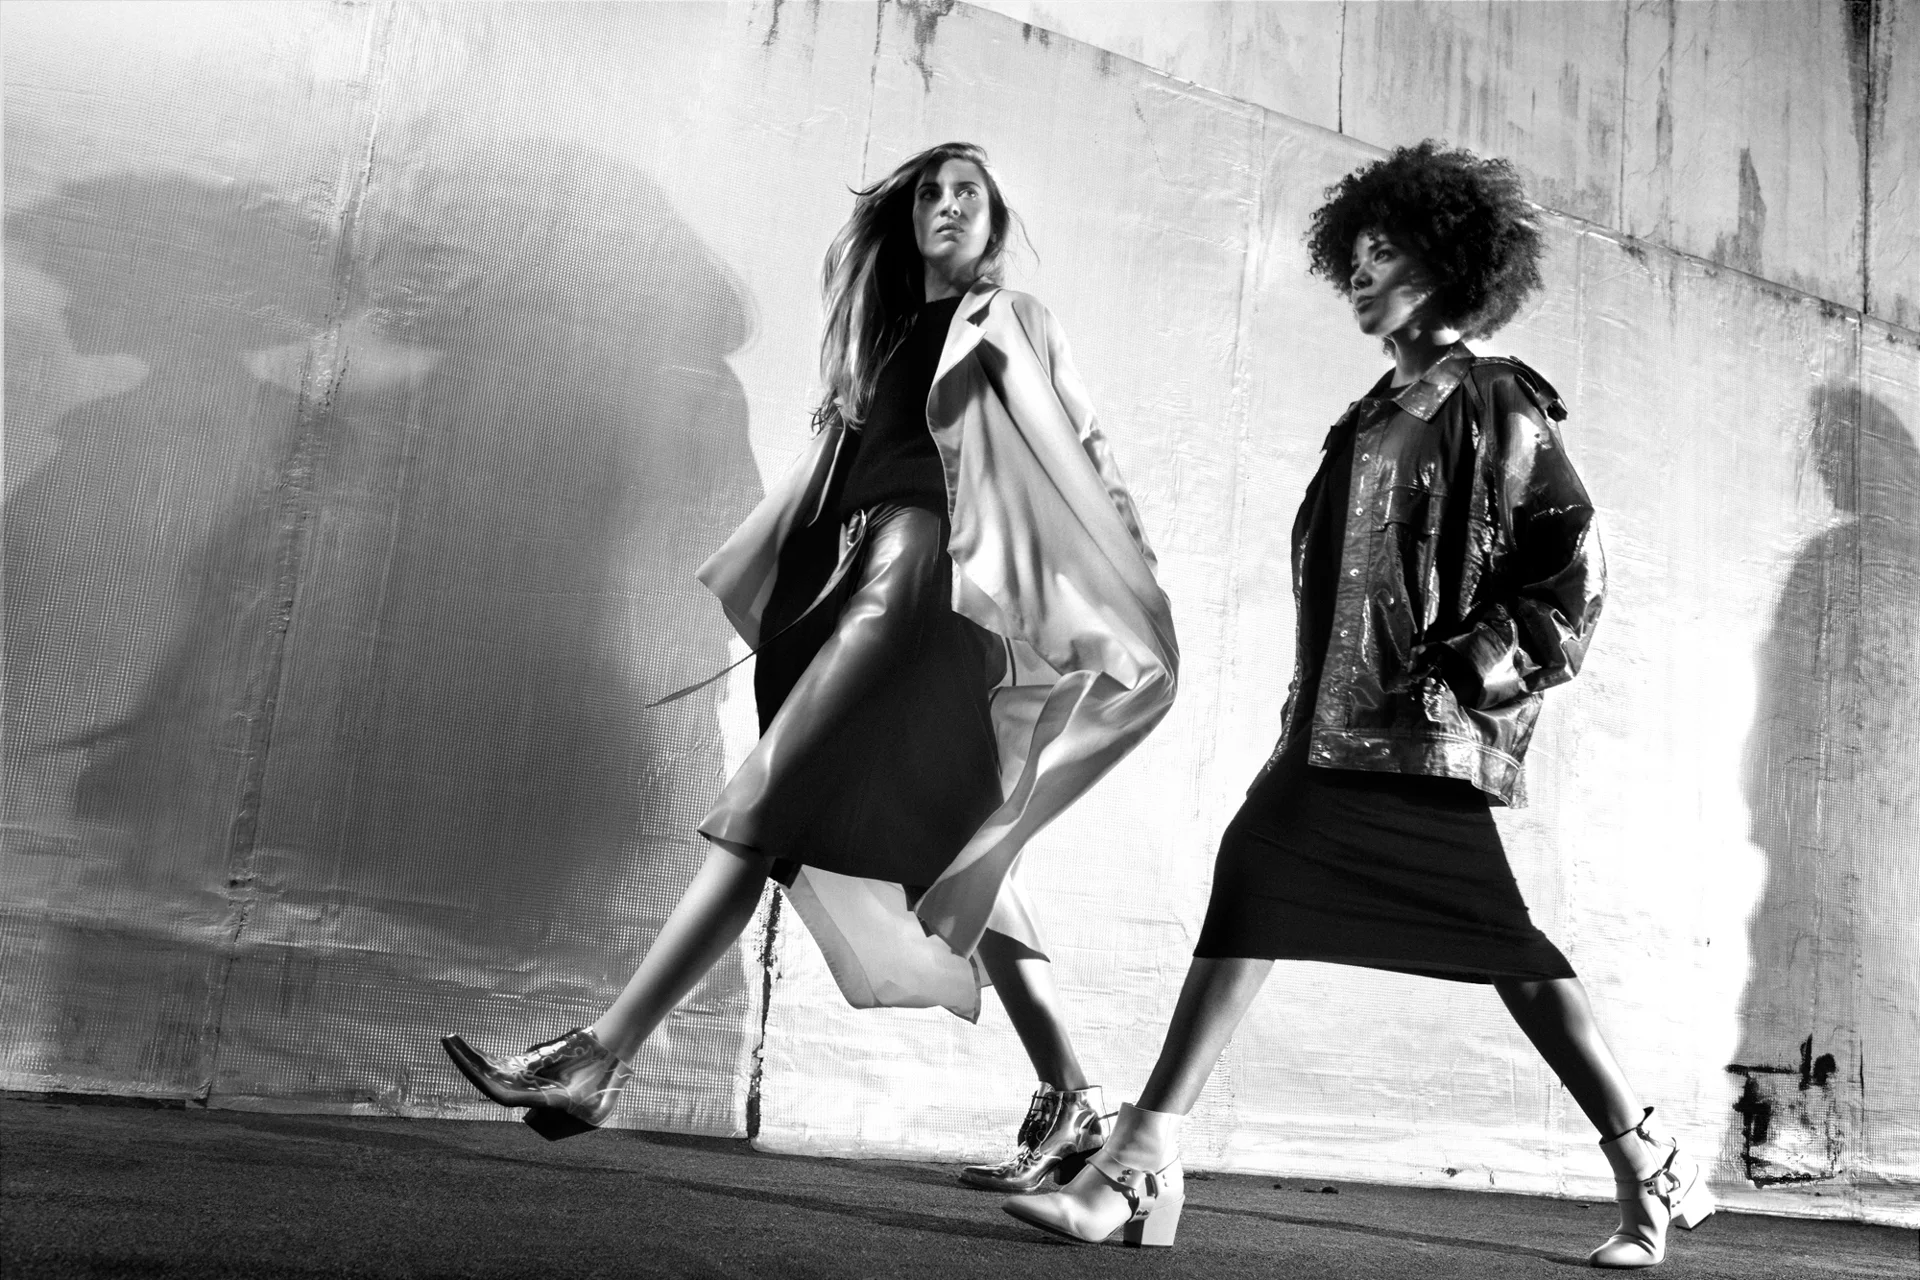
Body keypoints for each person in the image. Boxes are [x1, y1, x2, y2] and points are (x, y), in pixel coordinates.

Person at [1003, 142, 1713, 1269]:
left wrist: (1473, 668)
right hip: (1337, 729)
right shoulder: (1374, 413)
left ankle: (1644, 1157)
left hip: (1419, 734)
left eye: (1387, 253)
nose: (1363, 273)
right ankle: (1143, 1156)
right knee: (1266, 884)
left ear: (1445, 265)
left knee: (1507, 954)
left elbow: (1572, 562)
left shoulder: (1493, 396)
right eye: (1359, 253)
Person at [441, 143, 1177, 1194]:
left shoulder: (1012, 320)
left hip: (926, 575)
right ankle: (1074, 1096)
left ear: (996, 221)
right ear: (906, 220)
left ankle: (597, 1057)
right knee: (949, 841)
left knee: (769, 800)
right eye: (930, 192)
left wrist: (1127, 577)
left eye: (969, 193)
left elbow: (1084, 448)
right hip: (859, 571)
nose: (948, 205)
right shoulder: (882, 344)